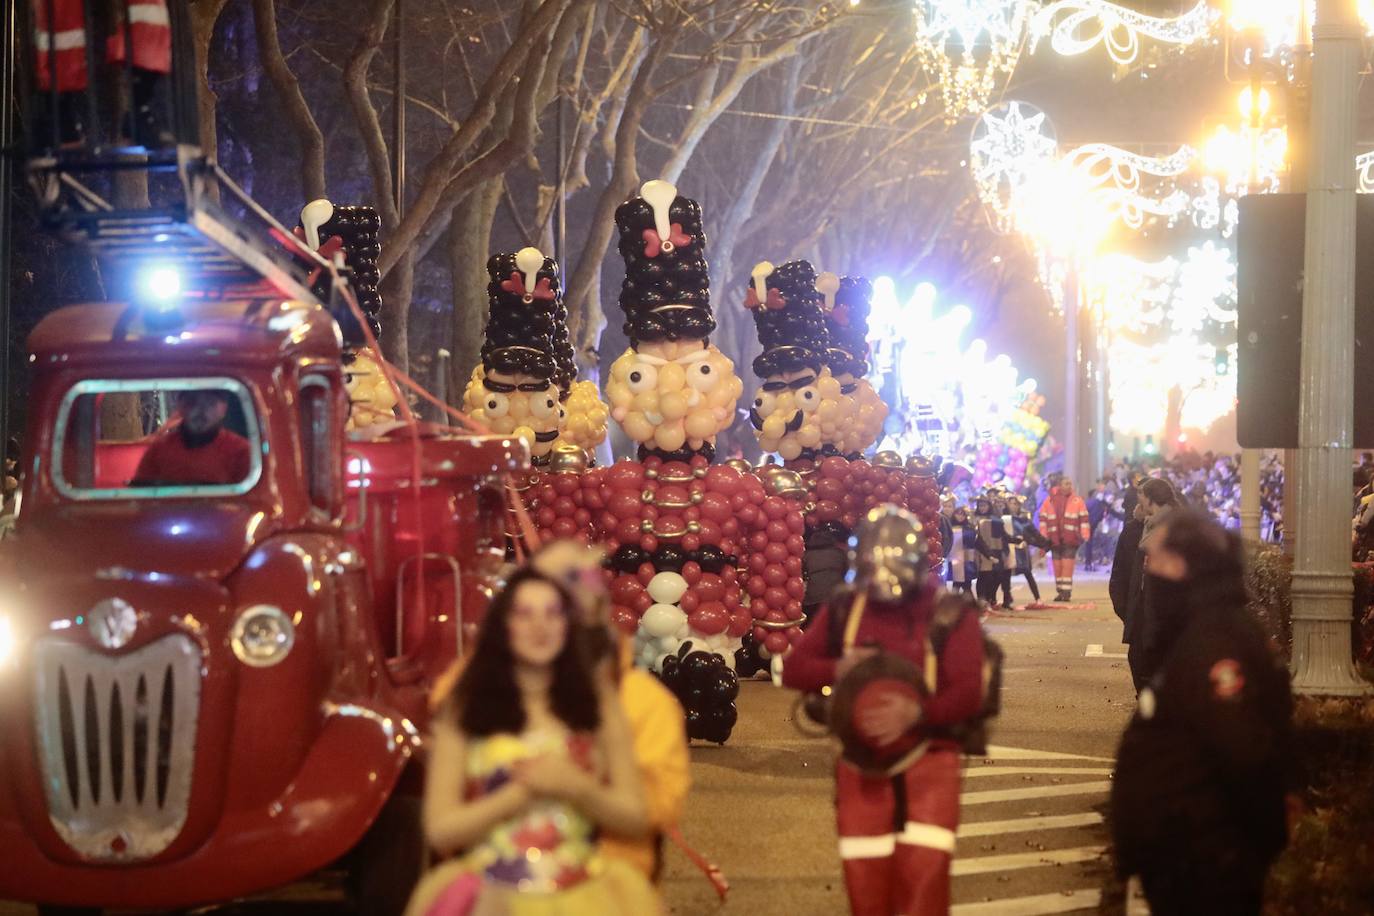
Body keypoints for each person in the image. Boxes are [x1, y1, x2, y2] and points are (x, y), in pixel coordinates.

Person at [409, 568, 658, 915]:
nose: (539, 626)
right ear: (502, 626)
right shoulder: (465, 708)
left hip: (586, 898)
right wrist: (520, 794)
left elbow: (635, 817)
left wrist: (576, 787)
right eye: (524, 614)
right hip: (489, 900)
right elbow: (441, 831)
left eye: (552, 613)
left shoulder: (599, 706)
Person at [782, 506, 985, 916]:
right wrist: (838, 668)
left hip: (931, 760)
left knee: (924, 880)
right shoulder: (845, 608)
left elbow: (970, 692)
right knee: (865, 880)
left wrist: (918, 713)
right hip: (860, 763)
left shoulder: (948, 612)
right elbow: (794, 669)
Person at [1111, 510, 1294, 916]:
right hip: (1186, 860)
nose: (1146, 570)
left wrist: (1229, 853)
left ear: (1180, 567)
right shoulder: (1198, 634)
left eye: (1153, 560)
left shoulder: (1216, 645)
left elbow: (1244, 754)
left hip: (1205, 865)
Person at [527, 540, 691, 884]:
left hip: (607, 878)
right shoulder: (473, 690)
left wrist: (577, 787)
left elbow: (654, 810)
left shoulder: (641, 702)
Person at [131, 389, 252, 486]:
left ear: (223, 409)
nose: (201, 410)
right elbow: (141, 494)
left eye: (210, 403)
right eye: (192, 402)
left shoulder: (241, 451)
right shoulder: (159, 449)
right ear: (180, 406)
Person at [1132, 478, 1181, 684]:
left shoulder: (1169, 524)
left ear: (1151, 499)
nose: (1139, 500)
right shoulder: (1153, 521)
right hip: (1153, 599)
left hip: (1166, 605)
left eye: (1142, 495)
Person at [1109, 483, 1145, 691]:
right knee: (1137, 655)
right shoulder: (1131, 530)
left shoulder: (1175, 530)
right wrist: (1123, 606)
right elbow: (1119, 571)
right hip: (1137, 607)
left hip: (1164, 611)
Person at [1037, 477, 1091, 602]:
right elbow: (1043, 520)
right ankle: (1060, 591)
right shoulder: (1049, 500)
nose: (1069, 486)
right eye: (1066, 483)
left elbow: (1084, 519)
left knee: (1067, 566)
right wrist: (1043, 538)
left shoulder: (1077, 501)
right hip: (1054, 539)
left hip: (1071, 539)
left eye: (1070, 483)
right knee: (1057, 567)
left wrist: (1085, 534)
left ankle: (1066, 592)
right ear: (1060, 485)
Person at [1006, 496, 1043, 604]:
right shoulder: (1004, 518)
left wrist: (1038, 542)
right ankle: (1007, 597)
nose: (1013, 506)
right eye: (1011, 503)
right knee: (1006, 576)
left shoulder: (1024, 519)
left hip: (1022, 551)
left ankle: (1037, 598)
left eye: (1015, 504)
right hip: (1009, 550)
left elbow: (1032, 533)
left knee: (1028, 574)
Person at [973, 495, 1005, 606]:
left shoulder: (994, 519)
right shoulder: (974, 519)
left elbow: (1002, 535)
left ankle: (991, 597)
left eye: (984, 505)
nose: (982, 508)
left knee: (996, 576)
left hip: (994, 550)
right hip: (980, 552)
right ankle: (982, 599)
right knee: (983, 576)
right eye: (980, 505)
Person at [945, 505, 978, 596]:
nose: (960, 516)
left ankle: (963, 606)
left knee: (966, 584)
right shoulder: (950, 527)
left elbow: (976, 542)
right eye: (958, 514)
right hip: (954, 560)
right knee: (957, 584)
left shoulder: (970, 528)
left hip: (967, 560)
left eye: (962, 514)